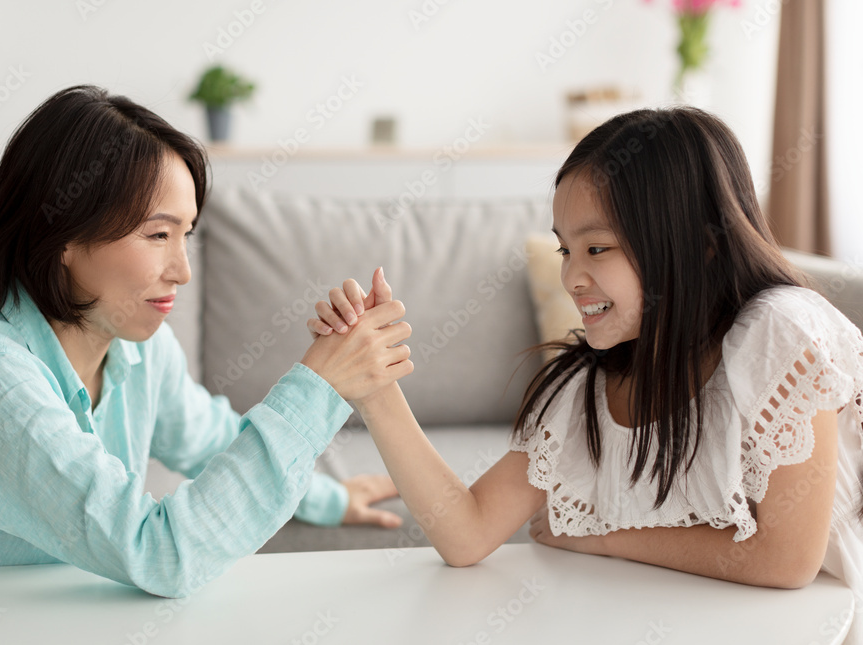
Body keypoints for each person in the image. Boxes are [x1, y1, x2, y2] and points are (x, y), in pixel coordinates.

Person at [311, 107, 863, 640]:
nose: (572, 276)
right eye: (564, 249)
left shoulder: (780, 332)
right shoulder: (586, 387)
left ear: (698, 244)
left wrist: (604, 538)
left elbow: (786, 560)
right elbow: (467, 533)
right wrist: (377, 387)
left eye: (596, 248)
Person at [0, 85, 414, 597]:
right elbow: (160, 554)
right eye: (157, 235)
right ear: (62, 235)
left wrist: (326, 497)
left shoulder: (137, 346)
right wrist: (316, 386)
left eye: (186, 236)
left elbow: (210, 439)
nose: (182, 271)